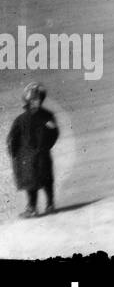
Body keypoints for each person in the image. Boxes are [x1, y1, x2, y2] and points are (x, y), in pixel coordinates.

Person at [7, 83, 58, 217]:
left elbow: (54, 133)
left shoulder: (47, 116)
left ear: (41, 100)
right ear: (27, 101)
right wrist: (14, 153)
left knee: (46, 179)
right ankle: (32, 207)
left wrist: (46, 146)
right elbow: (12, 138)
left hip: (41, 154)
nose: (35, 102)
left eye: (38, 99)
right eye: (33, 100)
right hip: (27, 157)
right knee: (31, 182)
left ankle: (50, 205)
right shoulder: (20, 120)